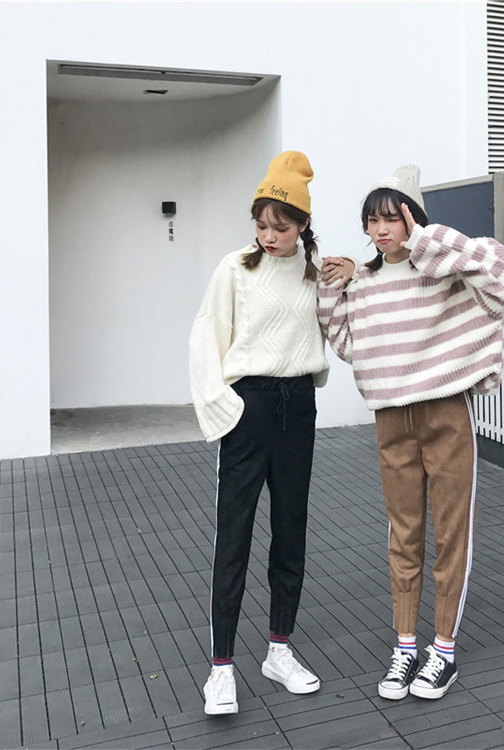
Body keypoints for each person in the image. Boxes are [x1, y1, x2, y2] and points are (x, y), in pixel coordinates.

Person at [318, 165, 504, 701]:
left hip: (446, 411)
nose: (381, 229)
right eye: (372, 220)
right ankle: (405, 645)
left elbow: (502, 269)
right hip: (392, 419)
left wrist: (427, 240)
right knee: (402, 534)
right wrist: (334, 286)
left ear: (414, 219)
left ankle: (442, 651)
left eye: (393, 217)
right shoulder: (365, 282)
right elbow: (349, 344)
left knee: (452, 532)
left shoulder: (444, 270)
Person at [189, 151, 352, 715]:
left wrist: (356, 271)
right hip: (250, 407)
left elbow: (360, 302)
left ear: (302, 224)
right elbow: (206, 336)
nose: (268, 236)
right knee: (233, 536)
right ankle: (221, 668)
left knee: (290, 532)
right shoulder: (236, 268)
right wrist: (224, 410)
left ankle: (279, 650)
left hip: (298, 407)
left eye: (280, 227)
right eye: (261, 225)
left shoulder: (316, 272)